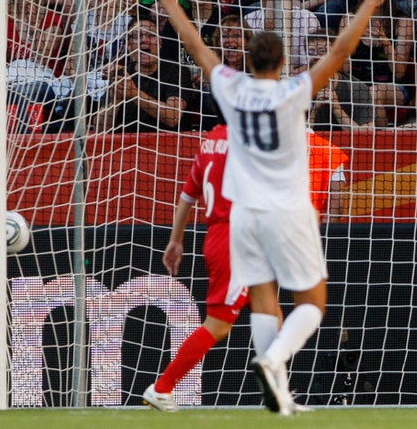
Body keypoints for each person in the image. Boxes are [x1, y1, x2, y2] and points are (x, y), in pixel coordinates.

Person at [148, 0, 394, 416]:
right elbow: (341, 50)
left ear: (246, 59)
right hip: (287, 211)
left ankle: (279, 397)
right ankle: (274, 358)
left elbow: (195, 44)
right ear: (281, 64)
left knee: (264, 301)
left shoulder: (230, 88)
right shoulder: (292, 92)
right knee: (313, 303)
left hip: (242, 216)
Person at [142, 108, 348, 412]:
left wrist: (176, 239)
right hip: (237, 237)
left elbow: (188, 194)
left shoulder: (211, 140)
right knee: (218, 325)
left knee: (271, 311)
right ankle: (161, 388)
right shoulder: (246, 143)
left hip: (224, 234)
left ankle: (281, 395)